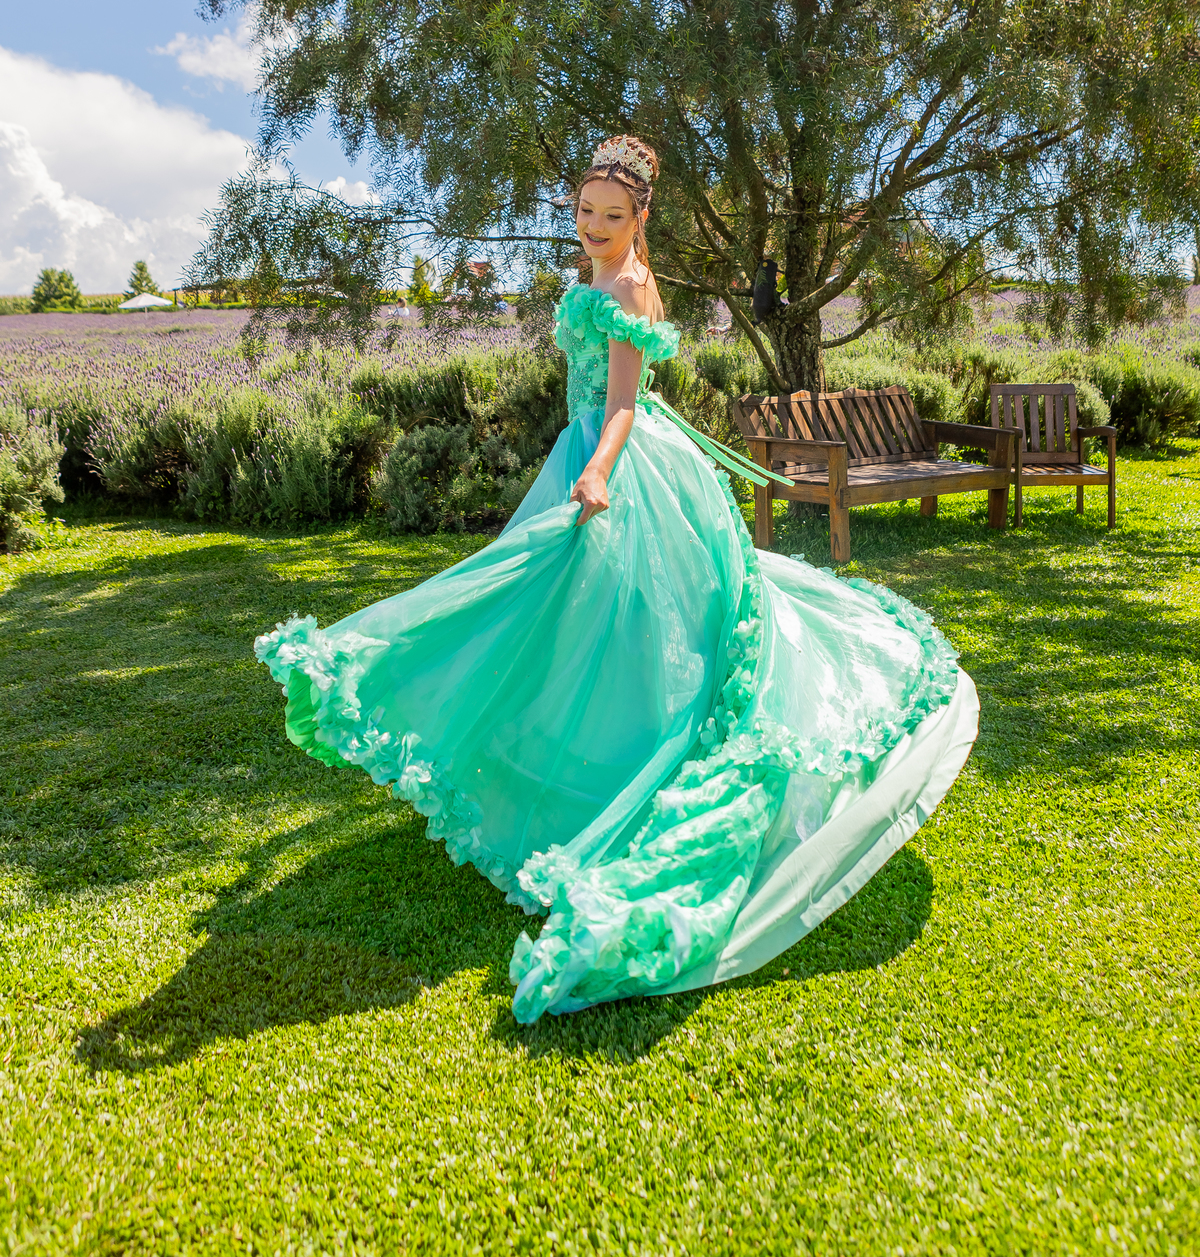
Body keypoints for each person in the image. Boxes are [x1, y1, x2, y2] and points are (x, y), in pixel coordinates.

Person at [257, 135, 978, 1022]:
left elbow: (627, 404)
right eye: (584, 212)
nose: (594, 227)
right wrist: (579, 457)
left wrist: (598, 469)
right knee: (562, 612)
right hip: (581, 455)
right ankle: (559, 762)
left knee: (621, 619)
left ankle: (620, 768)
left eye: (611, 216)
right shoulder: (597, 272)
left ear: (641, 218)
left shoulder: (631, 285)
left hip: (620, 465)